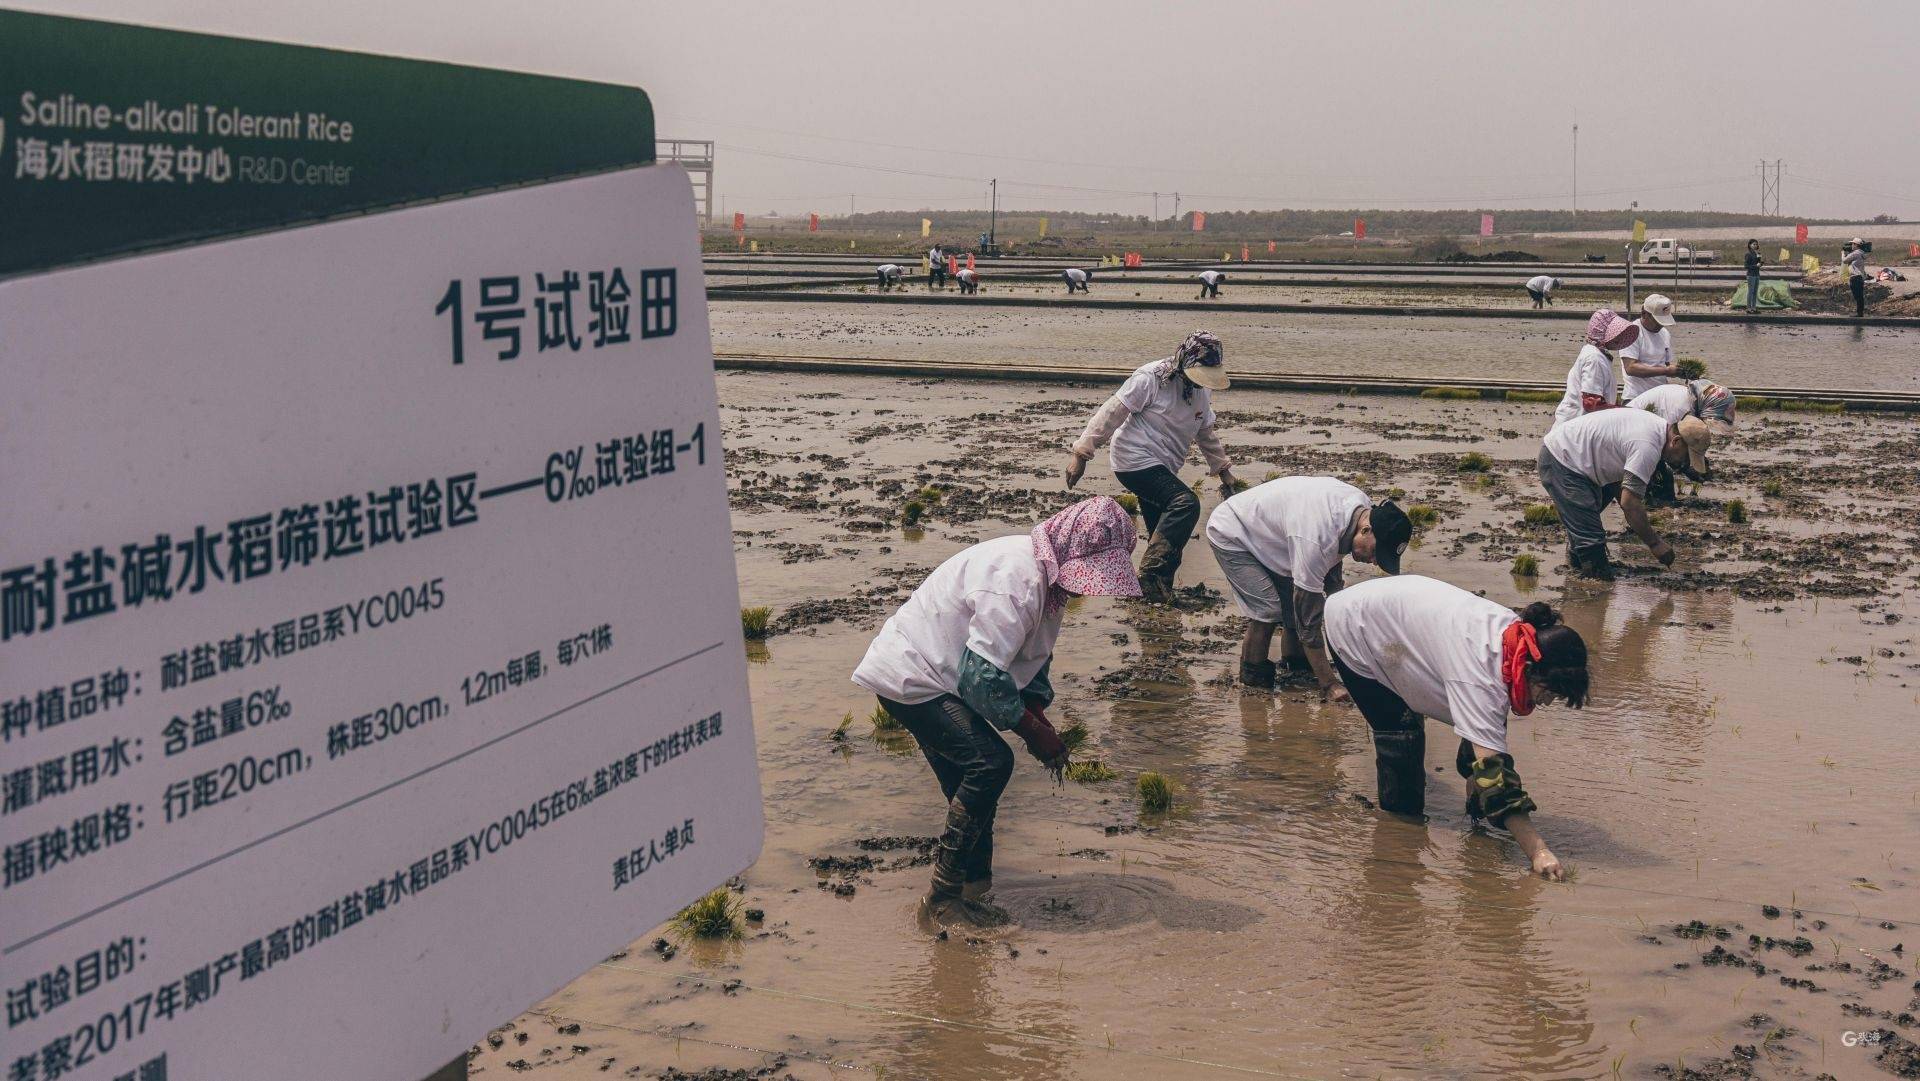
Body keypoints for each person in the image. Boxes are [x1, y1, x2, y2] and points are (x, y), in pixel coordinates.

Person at [851, 497, 1142, 925]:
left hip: (942, 677)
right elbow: (981, 676)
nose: (1086, 587)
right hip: (914, 677)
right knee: (989, 764)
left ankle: (974, 888)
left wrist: (1037, 709)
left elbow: (1033, 657)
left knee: (971, 787)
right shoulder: (1016, 578)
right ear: (1068, 549)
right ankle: (942, 900)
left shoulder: (1049, 582)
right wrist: (1032, 733)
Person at [1325, 576, 1591, 880]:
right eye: (1550, 692)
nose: (1546, 702)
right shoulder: (1478, 673)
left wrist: (1474, 775)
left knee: (1480, 730)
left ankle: (1468, 799)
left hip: (1395, 613)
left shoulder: (1515, 642)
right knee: (1403, 737)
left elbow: (1489, 720)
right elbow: (1496, 775)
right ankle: (1397, 843)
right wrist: (1538, 851)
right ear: (1529, 670)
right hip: (1353, 625)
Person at [1066, 331, 1238, 604]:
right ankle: (1148, 579)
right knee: (1185, 504)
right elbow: (1112, 412)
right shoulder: (1150, 378)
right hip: (1134, 459)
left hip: (1165, 466)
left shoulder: (1200, 391)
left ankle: (1157, 591)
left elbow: (1205, 432)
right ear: (1186, 359)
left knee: (1163, 532)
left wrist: (1224, 473)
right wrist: (1082, 453)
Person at [1205, 476, 1412, 692]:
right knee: (1268, 610)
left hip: (1274, 534)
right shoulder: (1316, 538)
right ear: (1366, 530)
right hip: (1233, 530)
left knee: (1295, 603)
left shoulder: (1360, 509)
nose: (1375, 561)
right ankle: (1253, 682)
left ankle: (1297, 668)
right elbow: (1308, 619)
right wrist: (1329, 683)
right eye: (1376, 553)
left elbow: (1332, 571)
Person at [1536, 406, 1709, 579]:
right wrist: (1655, 543)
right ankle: (1591, 589)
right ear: (1676, 441)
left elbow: (1619, 486)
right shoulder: (1648, 446)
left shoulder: (1656, 428)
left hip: (1578, 461)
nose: (1685, 462)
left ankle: (1578, 565)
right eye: (1687, 456)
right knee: (1591, 541)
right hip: (1563, 460)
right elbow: (1629, 503)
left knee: (1586, 523)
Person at [1551, 309, 1640, 428]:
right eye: (1615, 333)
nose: (1619, 337)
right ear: (1601, 334)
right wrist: (1623, 411)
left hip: (1579, 427)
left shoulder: (1595, 353)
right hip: (1574, 429)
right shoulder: (1594, 359)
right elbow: (1591, 403)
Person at [1620, 294, 1678, 400]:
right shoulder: (1631, 332)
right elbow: (1630, 368)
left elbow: (1666, 364)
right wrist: (1666, 371)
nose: (1660, 325)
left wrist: (1680, 371)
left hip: (1660, 396)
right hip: (1636, 398)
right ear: (1644, 314)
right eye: (1657, 321)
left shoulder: (1664, 333)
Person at [1843, 239, 1869, 317]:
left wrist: (1843, 254)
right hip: (1860, 277)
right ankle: (1860, 312)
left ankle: (1859, 313)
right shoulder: (1861, 253)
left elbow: (1844, 261)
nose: (1851, 246)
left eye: (1853, 244)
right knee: (1860, 296)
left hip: (1855, 277)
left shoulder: (1856, 253)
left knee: (1857, 296)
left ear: (1856, 245)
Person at [1743, 240, 1763, 314]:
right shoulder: (1748, 254)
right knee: (1751, 292)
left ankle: (1754, 308)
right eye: (1754, 244)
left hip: (1757, 275)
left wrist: (1760, 262)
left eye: (1756, 244)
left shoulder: (1757, 253)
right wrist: (1756, 266)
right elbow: (1746, 266)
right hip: (1751, 275)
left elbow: (1758, 264)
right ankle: (1748, 308)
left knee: (1755, 292)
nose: (1755, 245)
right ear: (1750, 245)